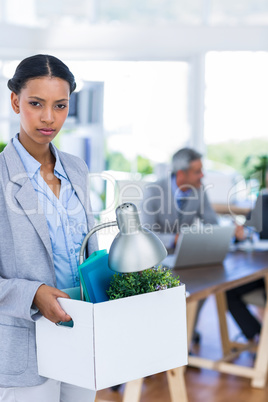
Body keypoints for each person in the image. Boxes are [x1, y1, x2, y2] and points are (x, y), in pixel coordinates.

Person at [0, 55, 98, 401]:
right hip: (24, 344)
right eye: (36, 103)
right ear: (15, 101)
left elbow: (86, 250)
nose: (48, 117)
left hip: (80, 333)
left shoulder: (76, 168)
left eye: (60, 106)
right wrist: (34, 294)